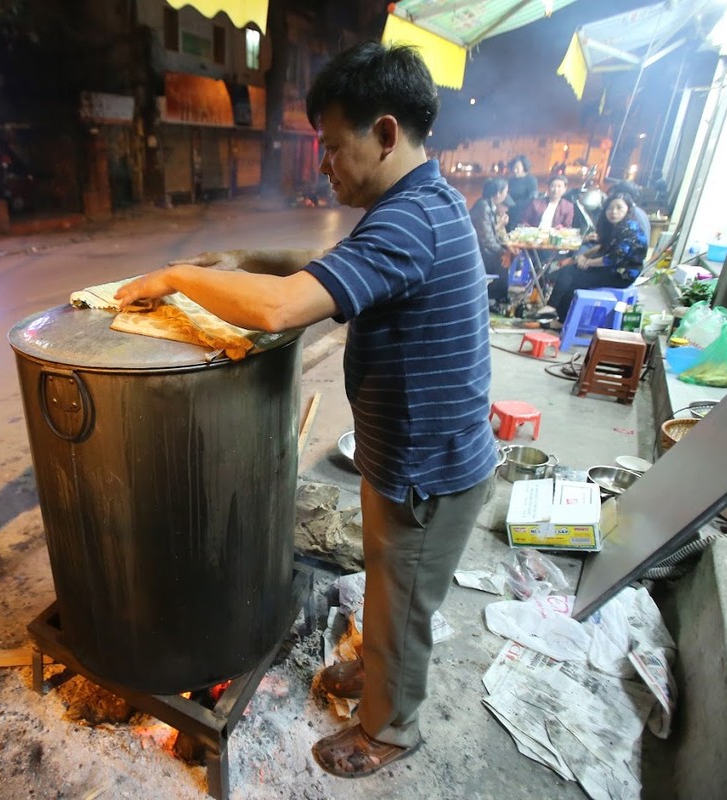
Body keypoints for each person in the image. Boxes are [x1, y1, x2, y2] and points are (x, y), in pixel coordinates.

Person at [114, 42, 496, 779]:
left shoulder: (409, 222)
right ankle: (385, 667)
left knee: (402, 601)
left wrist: (178, 275)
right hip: (418, 459)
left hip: (427, 471)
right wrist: (243, 262)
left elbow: (288, 308)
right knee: (393, 590)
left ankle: (390, 727)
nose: (323, 163)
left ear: (385, 133)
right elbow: (314, 271)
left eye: (331, 145)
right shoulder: (417, 203)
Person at [539, 192, 648, 325]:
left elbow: (613, 258)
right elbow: (603, 247)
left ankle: (556, 313)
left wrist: (588, 262)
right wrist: (583, 256)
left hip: (623, 275)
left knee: (573, 277)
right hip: (612, 269)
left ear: (628, 209)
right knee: (569, 272)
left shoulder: (630, 229)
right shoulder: (617, 227)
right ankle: (557, 313)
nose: (613, 212)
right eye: (609, 208)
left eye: (619, 208)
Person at [469, 177, 514, 308]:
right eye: (505, 192)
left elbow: (491, 233)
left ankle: (498, 297)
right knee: (502, 261)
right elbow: (487, 239)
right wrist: (503, 252)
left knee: (506, 256)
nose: (506, 195)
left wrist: (506, 249)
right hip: (476, 251)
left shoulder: (488, 205)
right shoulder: (483, 207)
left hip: (481, 248)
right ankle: (495, 299)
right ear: (498, 193)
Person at [504, 155, 538, 231]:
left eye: (517, 168)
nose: (515, 170)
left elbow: (532, 199)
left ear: (524, 167)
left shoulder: (531, 180)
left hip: (522, 213)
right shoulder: (511, 180)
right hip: (509, 211)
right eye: (513, 168)